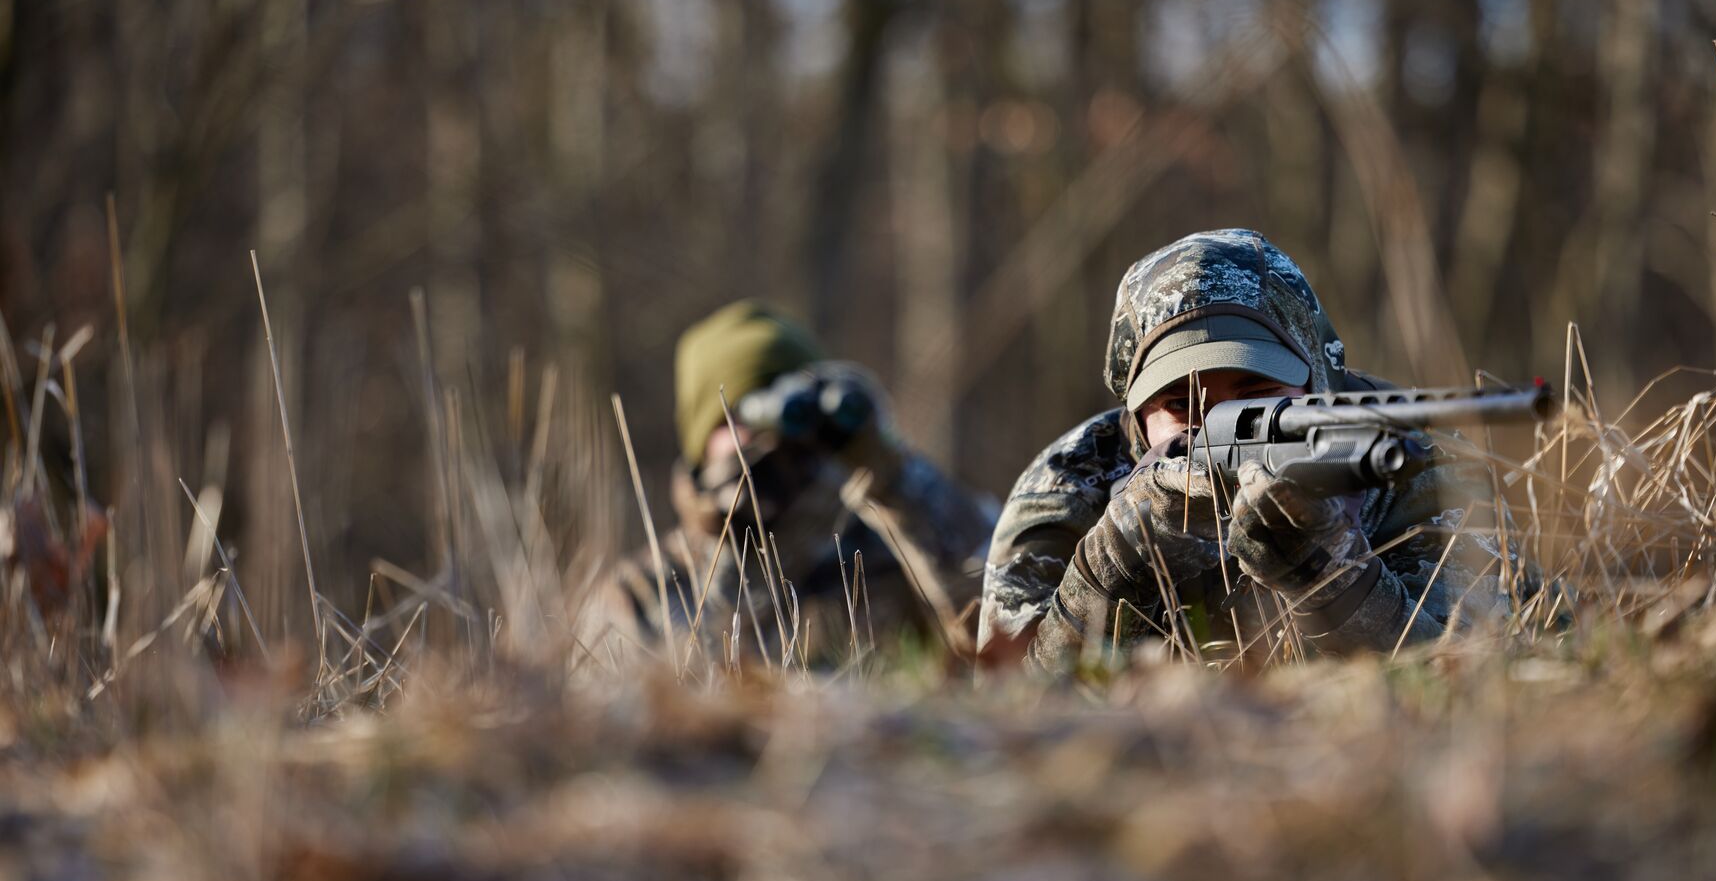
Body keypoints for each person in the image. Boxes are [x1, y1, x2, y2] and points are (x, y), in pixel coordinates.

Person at [978, 228, 1523, 676]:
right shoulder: (1069, 485)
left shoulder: (1417, 458)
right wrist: (1113, 565)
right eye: (1180, 403)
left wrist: (1334, 579)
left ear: (1317, 379)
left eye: (1257, 391)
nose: (1215, 420)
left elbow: (1472, 677)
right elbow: (1008, 709)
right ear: (1137, 418)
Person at [616, 299, 995, 668]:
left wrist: (894, 478)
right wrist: (759, 547)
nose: (774, 442)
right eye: (747, 417)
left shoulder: (888, 551)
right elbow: (684, 689)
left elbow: (1001, 629)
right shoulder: (643, 588)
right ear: (702, 443)